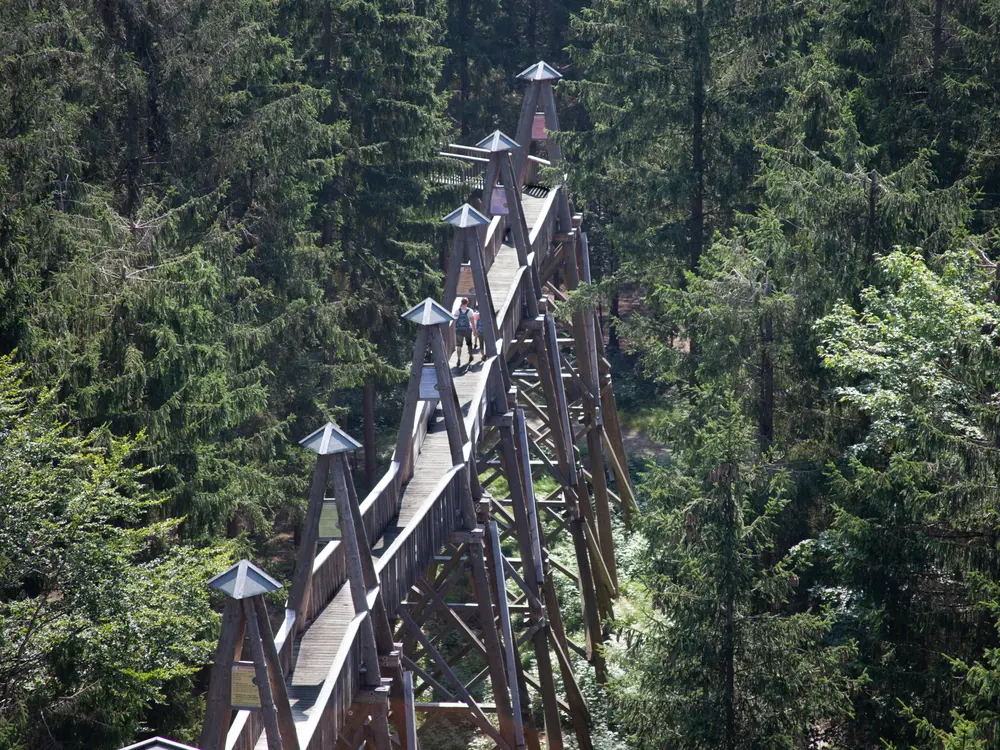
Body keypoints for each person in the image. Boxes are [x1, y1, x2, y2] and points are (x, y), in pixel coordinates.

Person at [455, 297, 474, 366]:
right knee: (469, 344)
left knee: (459, 346)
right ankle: (470, 356)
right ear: (467, 303)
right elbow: (472, 321)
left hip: (459, 330)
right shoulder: (470, 311)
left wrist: (455, 328)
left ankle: (458, 359)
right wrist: (474, 330)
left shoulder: (457, 311)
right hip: (467, 330)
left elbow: (455, 321)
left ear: (461, 302)